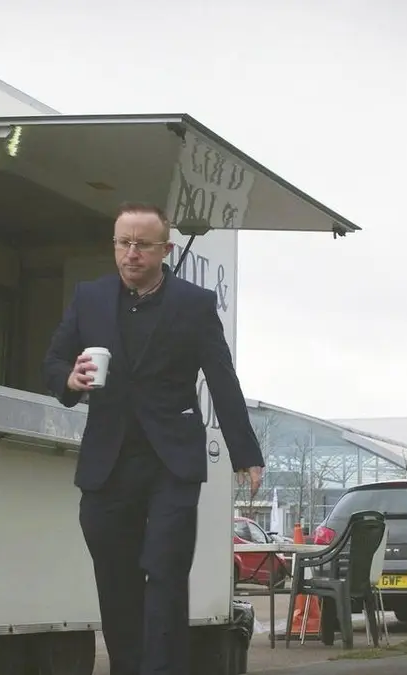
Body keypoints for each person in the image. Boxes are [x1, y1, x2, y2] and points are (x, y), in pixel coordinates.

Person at [42, 201, 265, 675]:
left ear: (165, 249)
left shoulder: (194, 304)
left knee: (165, 574)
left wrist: (246, 453)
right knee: (116, 581)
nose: (131, 253)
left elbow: (222, 378)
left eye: (142, 245)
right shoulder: (89, 297)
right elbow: (54, 360)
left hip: (171, 462)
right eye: (123, 243)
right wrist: (70, 379)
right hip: (108, 462)